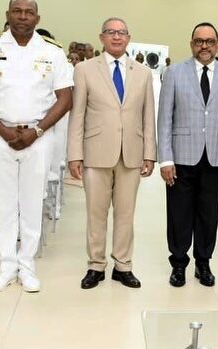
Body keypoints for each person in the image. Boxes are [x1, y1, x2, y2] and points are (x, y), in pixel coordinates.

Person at [0, 0, 72, 293]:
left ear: (37, 18)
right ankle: (6, 265)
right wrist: (3, 130)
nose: (22, 16)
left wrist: (36, 131)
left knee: (32, 200)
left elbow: (66, 98)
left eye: (28, 12)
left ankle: (27, 265)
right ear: (7, 15)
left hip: (38, 136)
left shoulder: (52, 51)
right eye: (17, 11)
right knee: (2, 201)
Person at [68, 17, 156, 290]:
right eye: (111, 32)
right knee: (96, 213)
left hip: (131, 152)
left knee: (126, 213)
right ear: (102, 37)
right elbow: (77, 114)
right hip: (96, 152)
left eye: (122, 33)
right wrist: (74, 154)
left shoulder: (143, 73)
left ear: (128, 38)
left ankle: (123, 266)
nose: (117, 37)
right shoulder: (84, 69)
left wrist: (149, 153)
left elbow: (148, 116)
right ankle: (96, 265)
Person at [157, 22, 218, 287]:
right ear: (191, 44)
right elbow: (164, 119)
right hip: (181, 157)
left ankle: (203, 262)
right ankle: (179, 263)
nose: (204, 46)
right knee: (179, 213)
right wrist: (165, 158)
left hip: (215, 156)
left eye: (210, 41)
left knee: (208, 214)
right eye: (199, 41)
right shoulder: (174, 73)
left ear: (217, 45)